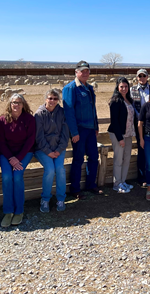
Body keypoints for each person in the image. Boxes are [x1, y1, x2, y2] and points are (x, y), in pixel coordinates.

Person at [62, 60, 103, 199]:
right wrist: (74, 132)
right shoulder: (70, 88)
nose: (85, 73)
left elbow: (93, 109)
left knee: (93, 157)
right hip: (79, 130)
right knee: (78, 159)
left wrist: (96, 126)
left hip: (91, 129)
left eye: (87, 71)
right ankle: (75, 189)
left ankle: (91, 185)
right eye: (82, 71)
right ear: (76, 72)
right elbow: (69, 112)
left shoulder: (89, 88)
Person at [0, 93, 36, 227]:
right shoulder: (2, 120)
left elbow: (30, 140)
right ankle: (8, 212)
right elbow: (1, 142)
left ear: (23, 104)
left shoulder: (29, 119)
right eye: (14, 102)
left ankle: (19, 211)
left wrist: (18, 158)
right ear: (10, 104)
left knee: (17, 176)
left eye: (19, 102)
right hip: (6, 154)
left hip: (24, 153)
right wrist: (11, 158)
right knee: (7, 177)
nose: (16, 105)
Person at [34, 89, 70, 213]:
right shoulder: (39, 114)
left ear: (58, 100)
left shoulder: (62, 113)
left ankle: (60, 198)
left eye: (55, 99)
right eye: (50, 98)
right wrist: (48, 151)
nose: (52, 101)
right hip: (42, 149)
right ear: (46, 99)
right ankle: (45, 199)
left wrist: (59, 149)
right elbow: (39, 137)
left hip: (58, 149)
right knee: (50, 170)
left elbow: (65, 134)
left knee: (60, 169)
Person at [108, 77, 136, 194]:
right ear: (117, 87)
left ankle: (123, 181)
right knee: (119, 159)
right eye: (121, 87)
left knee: (127, 158)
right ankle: (117, 183)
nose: (124, 89)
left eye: (126, 86)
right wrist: (120, 138)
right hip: (118, 133)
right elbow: (114, 121)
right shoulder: (115, 101)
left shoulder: (129, 100)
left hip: (128, 133)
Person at [130, 69, 150, 186]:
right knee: (142, 148)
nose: (142, 78)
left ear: (147, 77)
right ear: (137, 77)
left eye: (144, 76)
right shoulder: (132, 90)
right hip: (139, 124)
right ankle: (141, 176)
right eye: (140, 76)